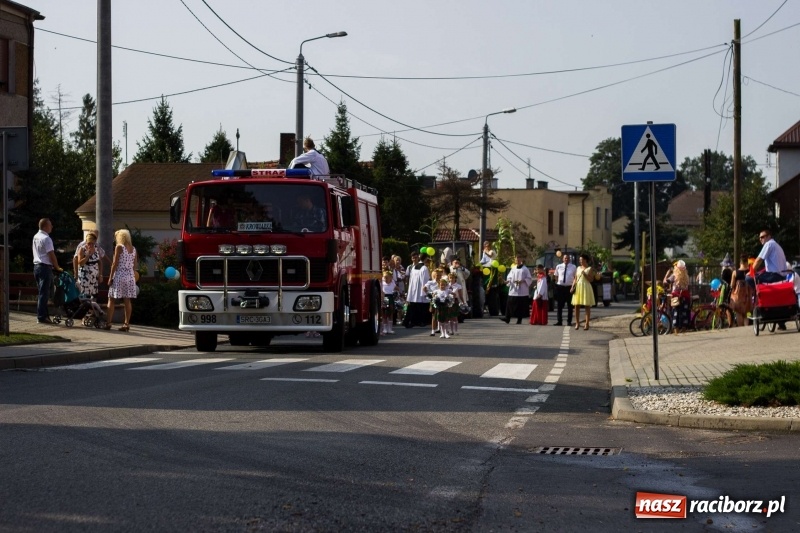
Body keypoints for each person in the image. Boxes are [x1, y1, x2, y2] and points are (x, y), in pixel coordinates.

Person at [751, 229, 788, 329]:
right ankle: (781, 322)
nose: (761, 239)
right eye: (759, 238)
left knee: (750, 280)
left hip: (774, 275)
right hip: (782, 276)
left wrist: (750, 272)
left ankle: (758, 304)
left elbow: (758, 260)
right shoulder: (777, 246)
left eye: (763, 237)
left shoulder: (769, 244)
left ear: (769, 236)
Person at [105, 229, 138, 332]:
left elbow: (115, 264)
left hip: (119, 275)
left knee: (111, 299)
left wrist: (110, 277)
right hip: (130, 277)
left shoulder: (119, 247)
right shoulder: (133, 249)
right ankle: (126, 323)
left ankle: (108, 322)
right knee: (127, 301)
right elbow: (135, 265)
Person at [32, 218, 64, 324]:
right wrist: (57, 266)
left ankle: (44, 315)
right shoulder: (46, 238)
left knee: (42, 292)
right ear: (45, 226)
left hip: (36, 266)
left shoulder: (36, 237)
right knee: (44, 293)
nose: (52, 227)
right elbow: (51, 254)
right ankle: (41, 317)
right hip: (45, 266)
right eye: (50, 225)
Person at [502, 253, 532, 324]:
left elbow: (529, 278)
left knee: (520, 305)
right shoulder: (513, 268)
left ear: (521, 260)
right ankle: (507, 318)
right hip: (513, 289)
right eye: (516, 259)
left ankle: (519, 319)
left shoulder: (525, 269)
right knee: (509, 303)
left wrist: (523, 281)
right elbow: (509, 277)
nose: (517, 260)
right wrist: (507, 281)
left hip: (522, 290)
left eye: (519, 259)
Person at [403, 253, 431, 328]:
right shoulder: (424, 268)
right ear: (425, 259)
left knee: (413, 306)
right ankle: (421, 321)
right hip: (420, 290)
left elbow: (410, 279)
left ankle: (410, 321)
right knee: (421, 306)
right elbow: (426, 280)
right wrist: (426, 290)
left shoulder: (414, 267)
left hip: (413, 290)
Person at [663, 260, 691, 333]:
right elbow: (688, 287)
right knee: (684, 312)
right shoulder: (687, 276)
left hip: (676, 297)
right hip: (685, 296)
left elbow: (665, 282)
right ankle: (684, 328)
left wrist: (667, 274)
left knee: (676, 312)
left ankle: (676, 329)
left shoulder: (674, 275)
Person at [570, 253, 596, 330]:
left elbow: (591, 279)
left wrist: (585, 274)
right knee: (576, 306)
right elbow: (575, 278)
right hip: (578, 287)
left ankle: (587, 324)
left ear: (585, 260)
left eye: (581, 260)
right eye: (579, 260)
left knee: (587, 306)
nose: (580, 261)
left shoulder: (589, 268)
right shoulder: (578, 268)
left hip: (586, 287)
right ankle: (577, 323)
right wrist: (572, 286)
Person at [76, 232, 104, 298]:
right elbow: (80, 263)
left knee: (93, 295)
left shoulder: (96, 249)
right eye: (89, 243)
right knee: (84, 295)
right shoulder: (82, 249)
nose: (90, 245)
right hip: (85, 276)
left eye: (92, 243)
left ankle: (92, 306)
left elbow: (100, 262)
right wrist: (87, 256)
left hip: (94, 277)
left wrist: (100, 274)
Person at [729, 253, 754, 327]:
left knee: (738, 312)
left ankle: (741, 327)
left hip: (738, 296)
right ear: (747, 262)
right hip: (748, 296)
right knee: (747, 312)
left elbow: (732, 285)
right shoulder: (750, 271)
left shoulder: (735, 272)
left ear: (740, 262)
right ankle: (747, 325)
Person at [552, 253, 577, 326]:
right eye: (565, 258)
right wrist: (557, 283)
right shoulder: (558, 266)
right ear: (562, 259)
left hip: (569, 287)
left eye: (568, 258)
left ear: (569, 259)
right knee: (559, 306)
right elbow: (556, 276)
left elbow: (575, 277)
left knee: (570, 306)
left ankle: (569, 321)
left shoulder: (573, 267)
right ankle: (559, 321)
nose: (566, 259)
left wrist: (573, 286)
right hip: (560, 287)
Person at [380, 270, 396, 336]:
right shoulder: (382, 283)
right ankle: (384, 328)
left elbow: (396, 288)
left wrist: (398, 292)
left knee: (390, 312)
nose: (385, 278)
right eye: (384, 277)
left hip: (391, 297)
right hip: (385, 297)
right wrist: (382, 295)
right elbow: (381, 291)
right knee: (385, 313)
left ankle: (390, 329)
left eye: (387, 277)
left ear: (391, 277)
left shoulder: (392, 282)